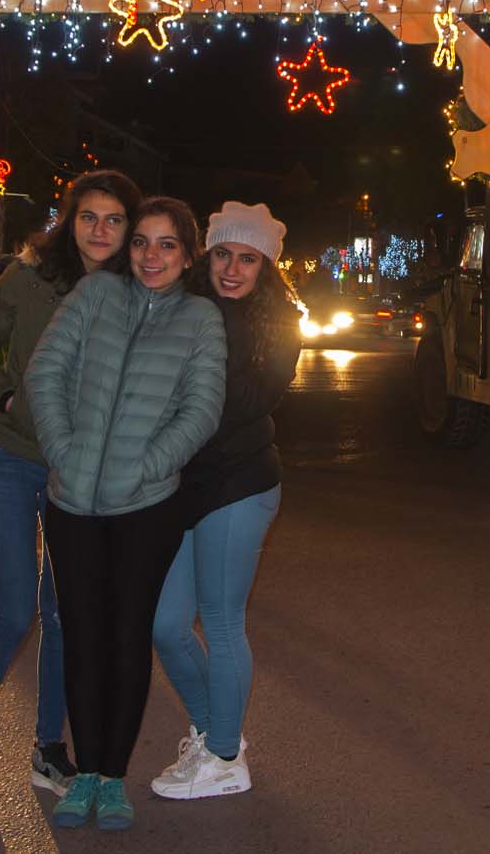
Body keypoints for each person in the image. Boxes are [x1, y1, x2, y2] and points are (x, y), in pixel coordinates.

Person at [0, 171, 143, 810]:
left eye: (114, 220)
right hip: (10, 456)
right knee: (14, 610)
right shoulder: (28, 280)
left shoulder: (138, 291)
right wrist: (1, 395)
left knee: (65, 615)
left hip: (80, 472)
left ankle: (48, 747)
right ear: (69, 220)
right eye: (89, 217)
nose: (101, 231)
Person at [25, 197, 227, 832]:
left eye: (167, 245)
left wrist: (147, 466)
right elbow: (45, 371)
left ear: (188, 255)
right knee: (81, 635)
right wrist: (62, 449)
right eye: (142, 242)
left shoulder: (200, 320)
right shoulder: (93, 296)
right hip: (70, 502)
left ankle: (112, 777)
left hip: (145, 507)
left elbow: (202, 409)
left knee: (124, 636)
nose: (150, 256)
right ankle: (84, 773)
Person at [149, 202, 301, 800]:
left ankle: (221, 759)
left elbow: (235, 407)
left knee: (221, 621)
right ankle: (219, 733)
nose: (232, 269)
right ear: (206, 255)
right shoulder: (185, 310)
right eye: (222, 254)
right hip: (187, 489)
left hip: (239, 487)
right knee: (164, 624)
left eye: (248, 258)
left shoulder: (272, 326)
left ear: (266, 267)